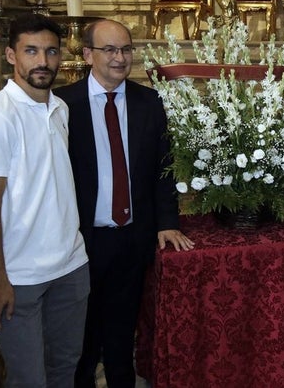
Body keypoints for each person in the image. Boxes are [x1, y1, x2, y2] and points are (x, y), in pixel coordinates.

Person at [54, 19, 194, 388]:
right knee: (81, 337)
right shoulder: (63, 106)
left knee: (121, 333)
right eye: (110, 50)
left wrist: (168, 222)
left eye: (126, 49)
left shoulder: (149, 101)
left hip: (132, 238)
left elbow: (164, 168)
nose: (120, 58)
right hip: (81, 242)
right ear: (87, 55)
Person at [0, 13, 90, 387]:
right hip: (20, 275)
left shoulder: (60, 108)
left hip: (70, 265)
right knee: (28, 380)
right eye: (31, 51)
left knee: (64, 368)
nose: (43, 61)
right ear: (10, 55)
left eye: (51, 52)